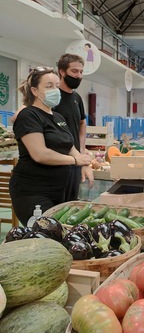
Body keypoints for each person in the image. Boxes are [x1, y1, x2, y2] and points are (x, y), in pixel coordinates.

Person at [9, 67, 92, 226]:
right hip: (33, 192)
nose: (55, 90)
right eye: (48, 86)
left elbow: (70, 147)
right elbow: (40, 154)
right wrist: (75, 160)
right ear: (34, 90)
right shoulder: (29, 115)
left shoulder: (58, 117)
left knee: (58, 234)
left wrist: (86, 161)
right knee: (46, 235)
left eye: (56, 85)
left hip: (59, 191)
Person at [54, 53, 94, 201]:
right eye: (74, 71)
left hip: (75, 162)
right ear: (62, 71)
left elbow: (82, 123)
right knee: (56, 206)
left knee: (71, 202)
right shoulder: (52, 97)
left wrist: (81, 151)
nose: (78, 76)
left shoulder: (77, 98)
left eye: (81, 72)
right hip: (58, 162)